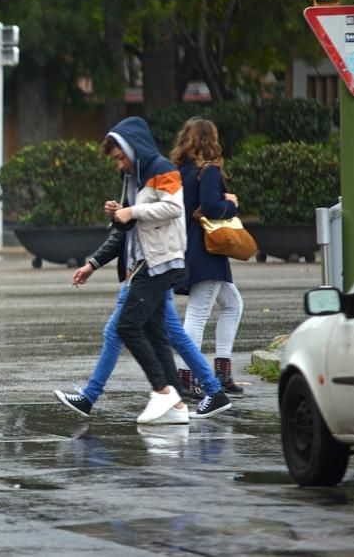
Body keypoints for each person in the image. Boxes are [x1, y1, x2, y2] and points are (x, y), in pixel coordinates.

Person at [53, 223, 232, 419]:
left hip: (146, 273)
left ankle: (91, 396)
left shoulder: (153, 195)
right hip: (152, 271)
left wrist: (124, 217)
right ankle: (204, 394)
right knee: (173, 335)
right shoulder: (146, 197)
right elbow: (126, 233)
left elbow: (127, 232)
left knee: (117, 332)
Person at [91, 116, 191, 424]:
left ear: (133, 149)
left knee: (127, 326)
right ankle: (177, 407)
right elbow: (134, 223)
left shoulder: (161, 168)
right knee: (155, 332)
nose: (119, 164)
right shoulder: (134, 176)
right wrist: (118, 214)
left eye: (121, 157)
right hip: (147, 260)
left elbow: (174, 208)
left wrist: (131, 210)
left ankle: (162, 393)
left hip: (161, 261)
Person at [170, 117, 245, 395]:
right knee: (197, 315)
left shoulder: (178, 173)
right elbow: (213, 207)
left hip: (188, 247)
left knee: (233, 304)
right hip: (207, 252)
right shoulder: (209, 171)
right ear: (209, 140)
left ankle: (222, 373)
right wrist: (231, 204)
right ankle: (186, 378)